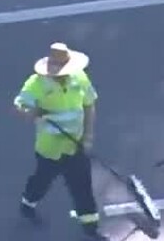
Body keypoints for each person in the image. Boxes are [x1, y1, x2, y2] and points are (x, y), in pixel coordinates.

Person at [12, 42, 108, 240]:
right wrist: (32, 112)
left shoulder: (79, 78)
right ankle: (27, 204)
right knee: (41, 182)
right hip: (50, 149)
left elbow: (89, 106)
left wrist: (88, 137)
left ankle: (91, 228)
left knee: (82, 188)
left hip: (76, 145)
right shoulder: (36, 84)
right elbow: (18, 107)